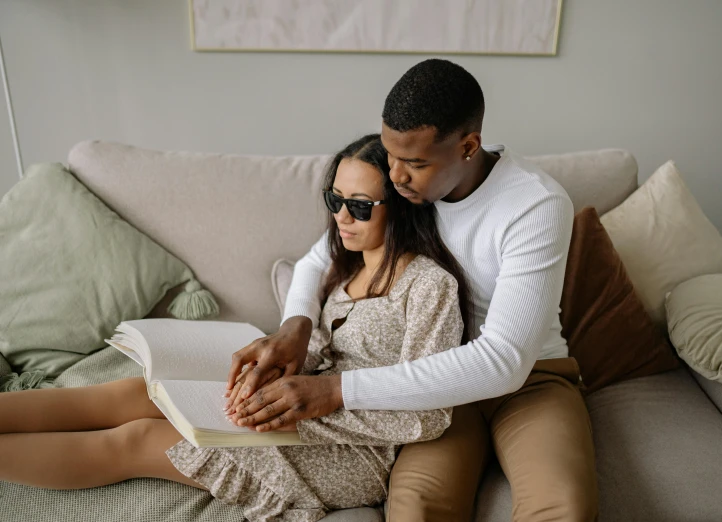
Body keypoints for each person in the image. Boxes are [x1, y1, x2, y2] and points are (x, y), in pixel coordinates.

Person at [0, 134, 473, 520]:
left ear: (404, 206)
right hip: (289, 409)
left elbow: (429, 415)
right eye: (335, 199)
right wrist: (269, 375)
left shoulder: (430, 287)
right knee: (136, 393)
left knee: (138, 439)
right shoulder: (344, 268)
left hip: (350, 452)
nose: (342, 217)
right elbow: (319, 350)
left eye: (362, 206)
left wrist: (315, 400)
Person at [227, 59, 599, 521]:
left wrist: (338, 390)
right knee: (414, 508)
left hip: (529, 380)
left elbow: (503, 361)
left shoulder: (534, 204)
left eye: (415, 162)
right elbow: (315, 259)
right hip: (430, 387)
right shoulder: (411, 191)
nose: (396, 175)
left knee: (563, 507)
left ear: (468, 146)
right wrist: (296, 324)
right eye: (391, 155)